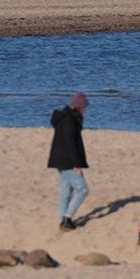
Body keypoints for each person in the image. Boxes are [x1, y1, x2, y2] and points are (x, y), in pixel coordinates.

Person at [49, 93, 89, 231]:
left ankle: (62, 220)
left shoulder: (63, 117)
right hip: (67, 160)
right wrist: (77, 164)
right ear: (78, 107)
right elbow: (71, 143)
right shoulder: (70, 119)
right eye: (84, 108)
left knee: (66, 191)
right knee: (83, 190)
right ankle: (67, 218)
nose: (85, 111)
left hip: (59, 159)